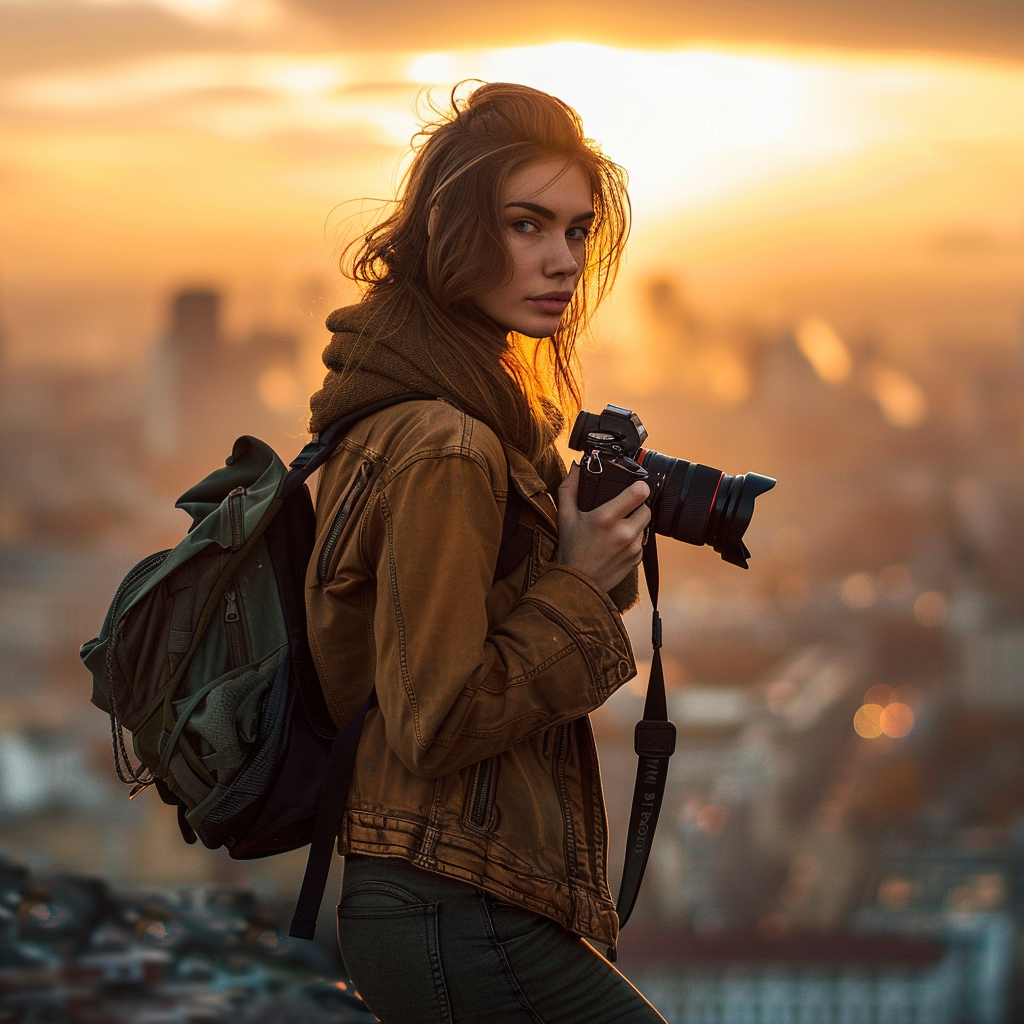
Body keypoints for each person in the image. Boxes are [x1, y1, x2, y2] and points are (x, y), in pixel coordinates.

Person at [305, 81, 667, 1024]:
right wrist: (578, 583)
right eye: (526, 225)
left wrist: (579, 563)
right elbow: (437, 722)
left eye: (579, 231)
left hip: (439, 891)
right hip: (453, 902)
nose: (562, 261)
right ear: (453, 229)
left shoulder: (427, 405)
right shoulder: (447, 443)